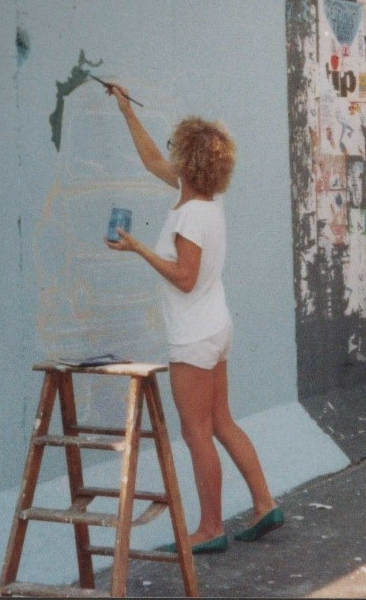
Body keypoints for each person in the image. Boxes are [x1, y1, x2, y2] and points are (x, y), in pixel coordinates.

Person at [103, 82, 283, 554]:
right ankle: (265, 504)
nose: (169, 157)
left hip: (193, 336)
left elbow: (184, 278)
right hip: (215, 327)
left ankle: (210, 528)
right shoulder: (205, 200)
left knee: (197, 431)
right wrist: (126, 111)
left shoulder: (188, 217)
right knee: (221, 421)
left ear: (187, 162)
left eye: (174, 151)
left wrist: (139, 247)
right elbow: (150, 162)